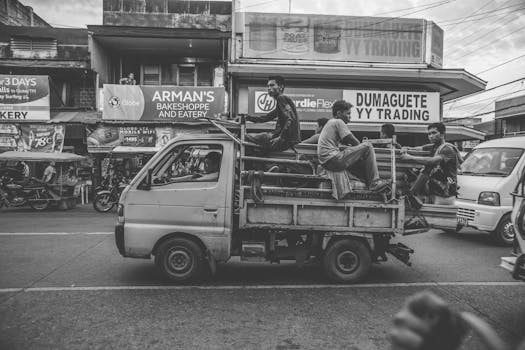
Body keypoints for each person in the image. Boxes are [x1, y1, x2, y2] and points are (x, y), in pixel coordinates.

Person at [317, 100, 390, 193]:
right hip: (333, 159)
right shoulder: (338, 122)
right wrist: (363, 150)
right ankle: (374, 183)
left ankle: (366, 182)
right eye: (348, 113)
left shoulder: (331, 123)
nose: (350, 116)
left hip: (328, 161)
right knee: (367, 146)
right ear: (339, 113)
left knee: (359, 159)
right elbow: (351, 139)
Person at [400, 122, 462, 205]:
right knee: (412, 172)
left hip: (445, 194)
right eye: (429, 134)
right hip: (434, 191)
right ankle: (411, 194)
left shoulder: (447, 149)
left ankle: (411, 194)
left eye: (434, 133)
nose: (431, 136)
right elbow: (417, 149)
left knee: (427, 168)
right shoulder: (433, 147)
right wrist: (405, 148)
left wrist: (410, 157)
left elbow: (432, 161)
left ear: (442, 134)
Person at [244, 76, 301, 152]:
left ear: (281, 87)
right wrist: (247, 117)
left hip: (285, 140)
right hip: (286, 139)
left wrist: (280, 137)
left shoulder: (281, 98)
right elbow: (265, 118)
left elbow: (290, 119)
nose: (269, 88)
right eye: (268, 86)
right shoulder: (281, 102)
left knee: (245, 137)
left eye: (272, 85)